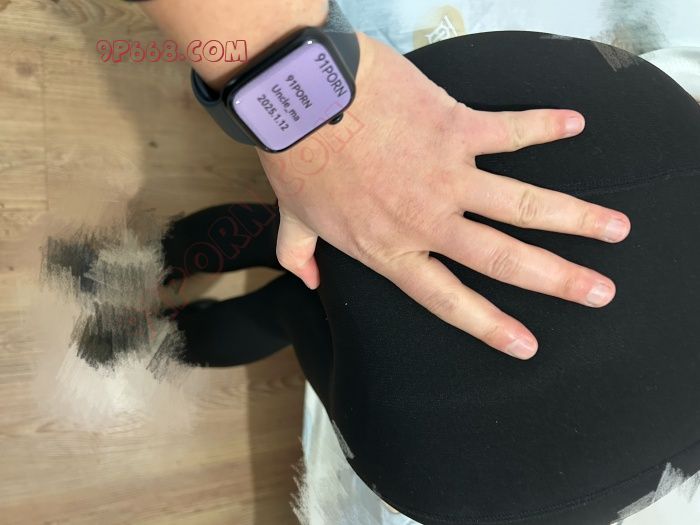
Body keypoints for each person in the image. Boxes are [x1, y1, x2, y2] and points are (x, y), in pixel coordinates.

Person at [159, 31, 700, 524]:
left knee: (304, 231)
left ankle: (167, 263)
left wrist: (302, 116)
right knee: (299, 299)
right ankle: (194, 322)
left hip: (625, 125)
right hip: (505, 453)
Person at [133, 0, 633, 360]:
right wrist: (323, 121)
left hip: (410, 156)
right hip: (377, 119)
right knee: (301, 297)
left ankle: (133, 291)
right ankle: (137, 310)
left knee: (302, 282)